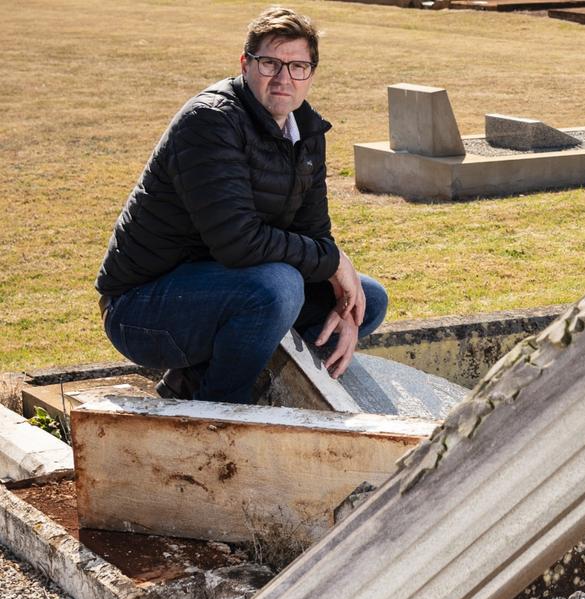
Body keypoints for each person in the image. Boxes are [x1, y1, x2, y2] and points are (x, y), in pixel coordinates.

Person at [95, 6, 386, 403]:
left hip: (224, 285)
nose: (284, 78)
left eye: (298, 66)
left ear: (311, 74)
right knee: (277, 288)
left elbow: (313, 234)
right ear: (246, 64)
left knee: (364, 301)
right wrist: (333, 261)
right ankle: (218, 413)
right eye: (270, 63)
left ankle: (199, 382)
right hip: (143, 309)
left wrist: (339, 285)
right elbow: (239, 242)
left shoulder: (307, 132)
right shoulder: (210, 121)